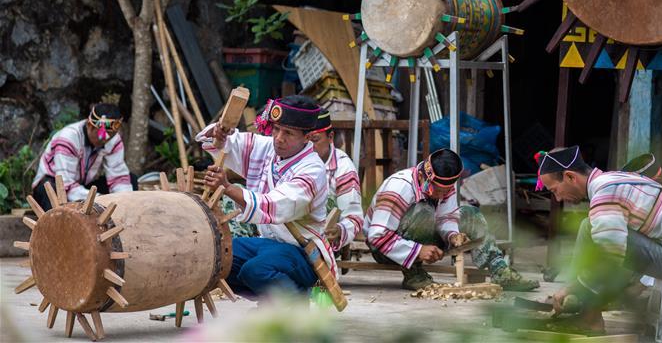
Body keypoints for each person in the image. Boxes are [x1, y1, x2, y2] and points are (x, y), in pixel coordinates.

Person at [536, 147, 662, 327]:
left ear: (570, 177)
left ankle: (590, 317)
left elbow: (610, 256)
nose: (558, 198)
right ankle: (589, 312)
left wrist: (572, 287)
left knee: (599, 239)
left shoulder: (605, 192)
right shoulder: (612, 179)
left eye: (554, 190)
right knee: (594, 229)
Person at [197, 95, 335, 298]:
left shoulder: (312, 170)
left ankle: (294, 303)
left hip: (303, 253)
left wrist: (227, 187)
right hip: (269, 244)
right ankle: (274, 302)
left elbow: (275, 206)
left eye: (288, 133)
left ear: (307, 137)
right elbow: (230, 143)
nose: (279, 138)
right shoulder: (268, 148)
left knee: (255, 270)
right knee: (217, 258)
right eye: (276, 129)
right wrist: (221, 134)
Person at [364, 148, 538, 291]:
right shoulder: (399, 187)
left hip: (420, 238)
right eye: (438, 190)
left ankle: (500, 270)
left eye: (446, 190)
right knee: (423, 209)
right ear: (426, 178)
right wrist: (418, 251)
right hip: (385, 249)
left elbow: (446, 216)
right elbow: (377, 237)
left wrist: (453, 235)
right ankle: (414, 275)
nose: (442, 194)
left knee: (471, 213)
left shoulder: (445, 186)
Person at [32, 103, 134, 210]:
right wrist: (100, 199)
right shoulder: (68, 138)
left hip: (81, 187)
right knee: (50, 189)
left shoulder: (112, 139)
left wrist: (124, 202)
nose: (105, 139)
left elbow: (118, 177)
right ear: (90, 125)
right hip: (55, 187)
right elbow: (65, 184)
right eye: (101, 135)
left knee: (131, 179)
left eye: (110, 136)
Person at [305, 108, 363, 251]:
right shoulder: (295, 158)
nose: (309, 147)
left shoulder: (343, 167)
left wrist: (338, 230)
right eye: (305, 140)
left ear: (330, 137)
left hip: (324, 242)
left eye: (315, 140)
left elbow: (353, 217)